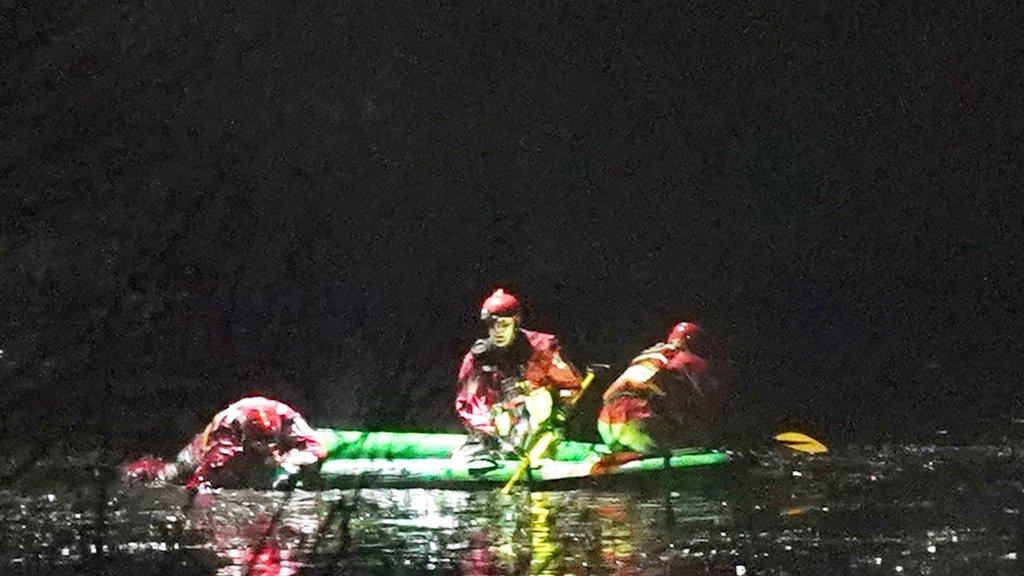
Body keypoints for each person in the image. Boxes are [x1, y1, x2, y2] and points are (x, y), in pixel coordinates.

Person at [455, 289, 582, 454]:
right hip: (496, 425)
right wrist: (488, 430)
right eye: (492, 325)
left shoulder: (541, 349)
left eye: (504, 325)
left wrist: (559, 416)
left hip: (538, 424)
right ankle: (492, 444)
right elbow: (466, 402)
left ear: (515, 323)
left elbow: (570, 386)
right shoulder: (478, 358)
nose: (498, 331)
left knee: (538, 398)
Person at [124, 396, 327, 490]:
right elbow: (201, 478)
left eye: (269, 441)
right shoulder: (226, 434)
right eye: (260, 441)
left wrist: (291, 462)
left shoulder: (286, 417)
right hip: (200, 451)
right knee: (170, 474)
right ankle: (133, 470)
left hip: (268, 455)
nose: (267, 446)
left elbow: (316, 448)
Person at [597, 322, 724, 455]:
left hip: (605, 421)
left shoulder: (650, 353)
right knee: (695, 444)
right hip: (636, 420)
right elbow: (706, 403)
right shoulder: (688, 359)